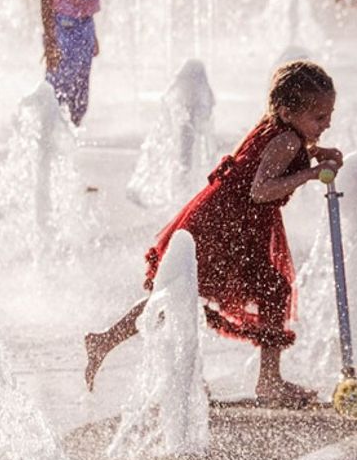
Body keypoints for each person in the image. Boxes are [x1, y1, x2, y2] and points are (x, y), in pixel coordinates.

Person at [84, 60, 343, 407]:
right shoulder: (286, 141)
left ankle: (267, 380)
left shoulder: (280, 130)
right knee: (187, 294)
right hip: (227, 227)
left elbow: (277, 159)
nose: (326, 124)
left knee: (259, 290)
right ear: (286, 111)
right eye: (319, 118)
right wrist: (310, 175)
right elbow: (260, 190)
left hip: (227, 220)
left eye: (328, 116)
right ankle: (105, 341)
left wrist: (315, 154)